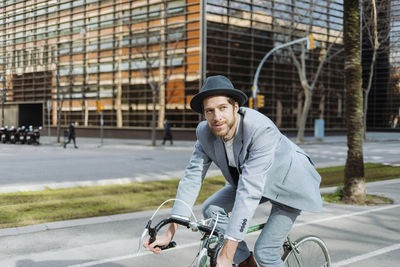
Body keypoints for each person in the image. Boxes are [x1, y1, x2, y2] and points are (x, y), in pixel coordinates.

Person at [144, 75, 322, 267]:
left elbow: (249, 192)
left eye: (222, 108)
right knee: (211, 209)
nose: (216, 117)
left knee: (266, 253)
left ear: (235, 107)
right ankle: (246, 263)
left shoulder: (260, 129)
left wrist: (227, 254)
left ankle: (242, 258)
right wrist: (170, 232)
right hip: (253, 182)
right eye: (210, 111)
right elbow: (191, 178)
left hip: (289, 184)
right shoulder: (205, 133)